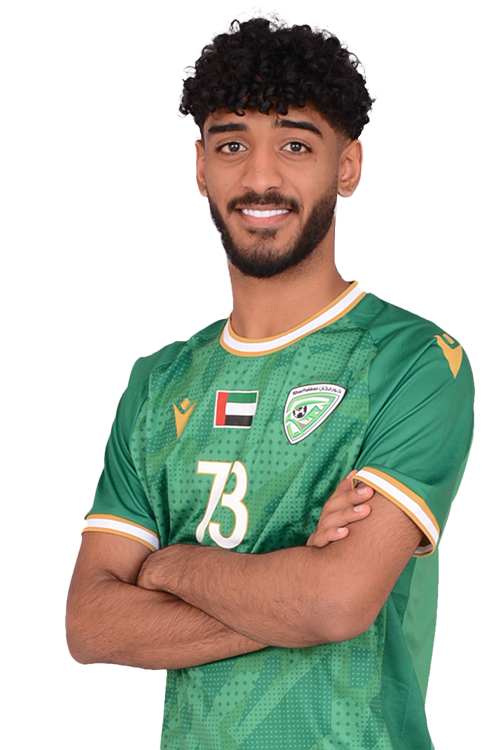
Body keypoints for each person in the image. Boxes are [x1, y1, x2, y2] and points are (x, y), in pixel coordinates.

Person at [65, 5, 475, 749]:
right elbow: (90, 625)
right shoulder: (158, 382)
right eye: (232, 144)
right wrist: (291, 588)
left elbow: (335, 604)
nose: (260, 177)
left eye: (294, 144)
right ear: (199, 167)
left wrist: (171, 565)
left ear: (347, 166)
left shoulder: (415, 360)